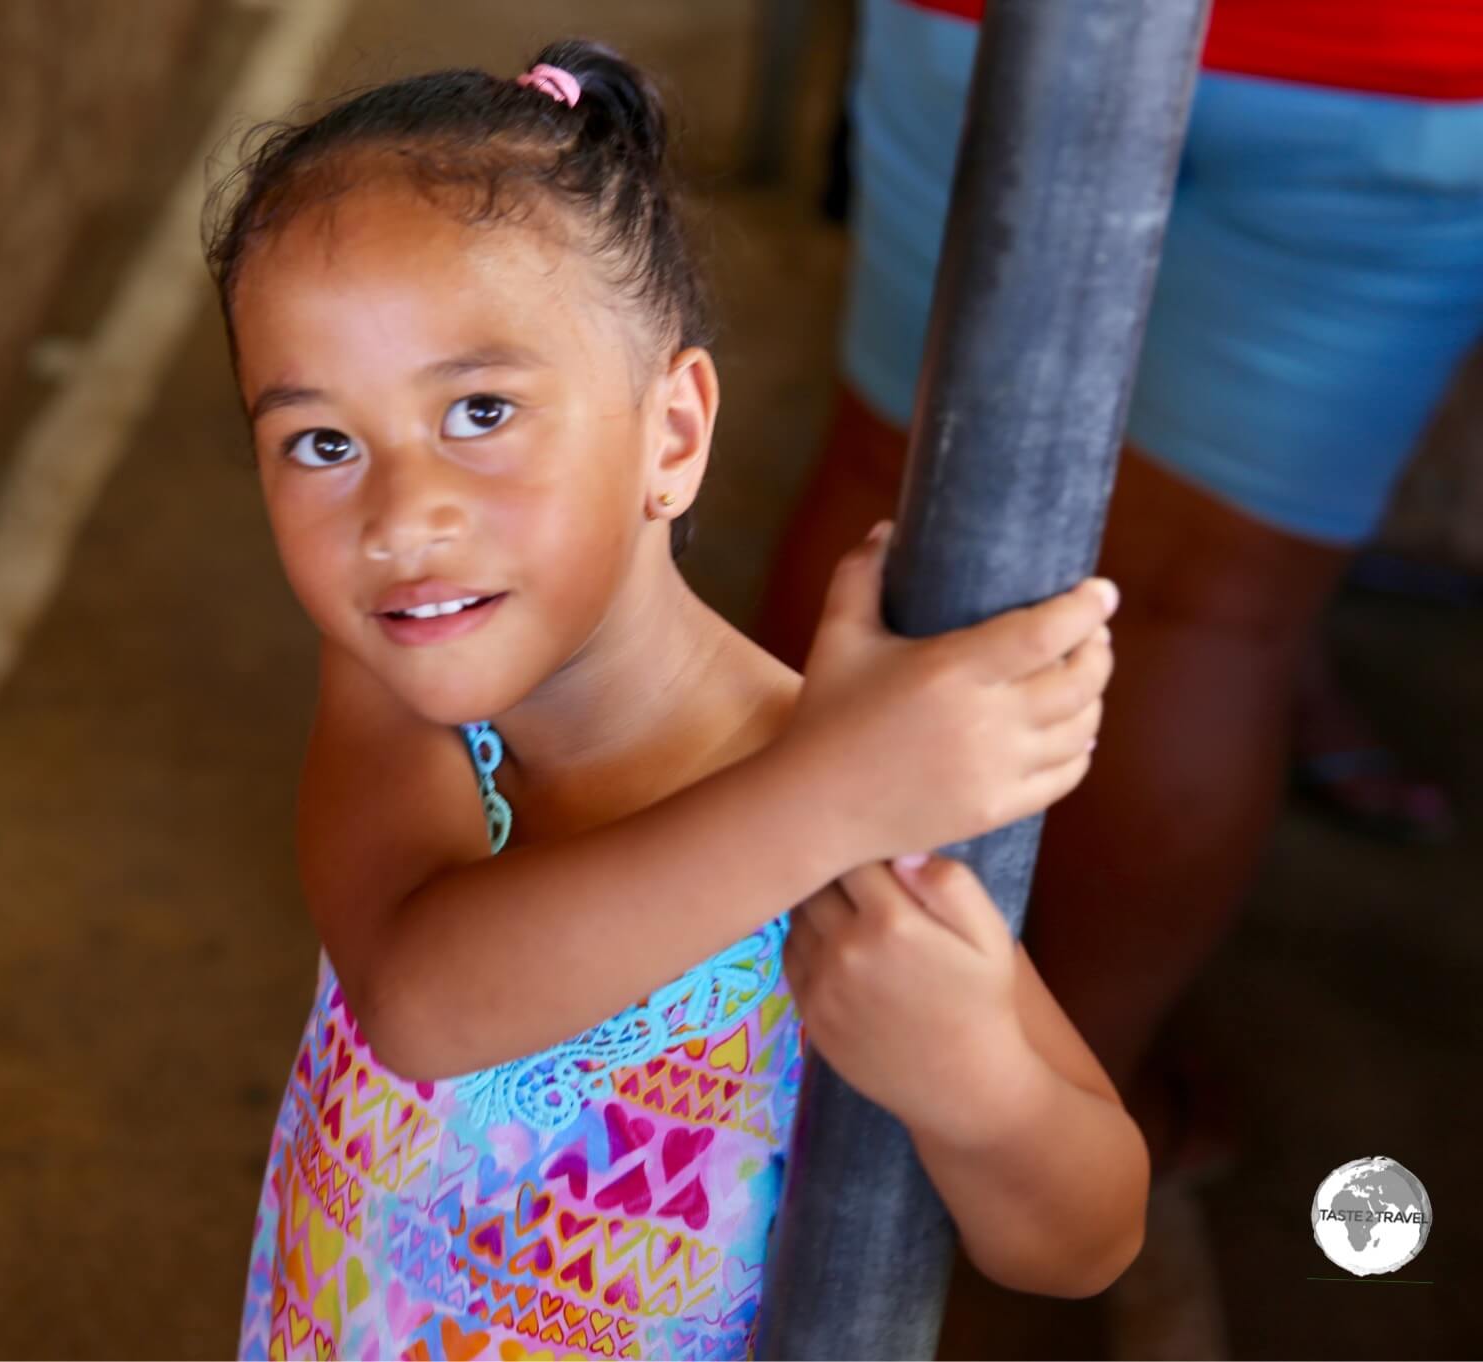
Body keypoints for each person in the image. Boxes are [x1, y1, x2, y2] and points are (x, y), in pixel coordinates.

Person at [204, 39, 1142, 1361]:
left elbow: (1086, 1234)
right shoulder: (397, 688)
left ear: (673, 436)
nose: (401, 517)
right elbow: (423, 994)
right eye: (321, 442)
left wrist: (973, 1081)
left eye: (480, 410)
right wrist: (839, 790)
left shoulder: (859, 802)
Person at [756, 0, 1483, 1185]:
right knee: (1208, 614)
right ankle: (1058, 1109)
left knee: (886, 484)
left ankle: (762, 1049)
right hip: (1391, 67)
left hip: (994, 24)